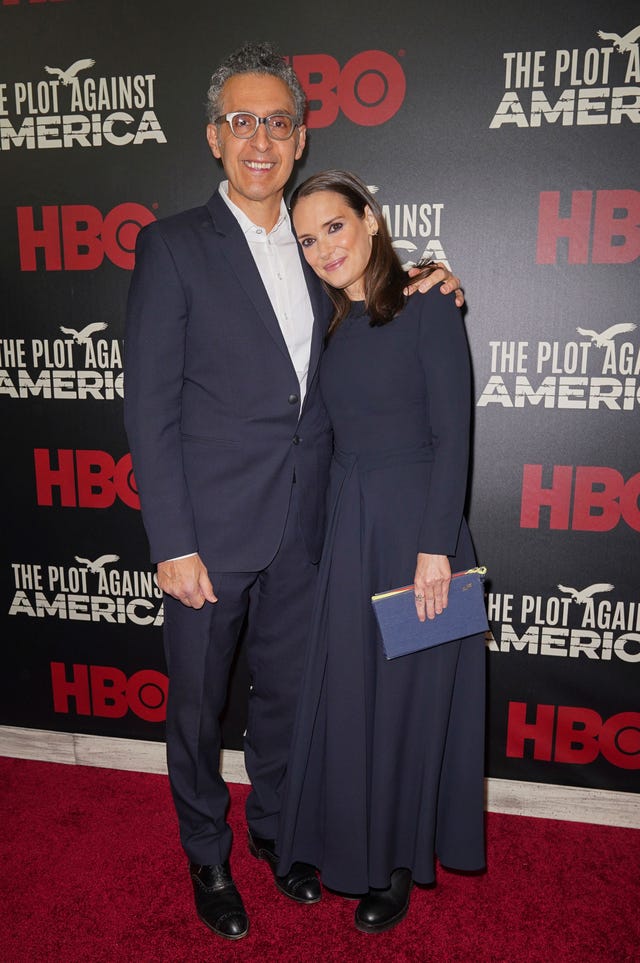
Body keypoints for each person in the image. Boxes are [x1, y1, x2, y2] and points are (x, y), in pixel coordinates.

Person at [124, 42, 462, 941]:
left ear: (301, 136)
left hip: (315, 532)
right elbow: (149, 407)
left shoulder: (323, 251)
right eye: (241, 121)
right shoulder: (172, 246)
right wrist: (172, 541)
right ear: (213, 136)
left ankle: (278, 832)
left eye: (278, 121)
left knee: (285, 699)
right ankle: (207, 853)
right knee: (197, 706)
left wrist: (432, 276)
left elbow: (382, 303)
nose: (260, 139)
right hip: (208, 535)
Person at [277, 170, 485, 934]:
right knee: (352, 695)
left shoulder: (428, 303)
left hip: (418, 531)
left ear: (369, 219)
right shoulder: (330, 322)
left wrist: (436, 549)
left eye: (334, 226)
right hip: (350, 528)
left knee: (408, 702)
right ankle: (337, 840)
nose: (323, 248)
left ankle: (397, 863)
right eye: (307, 239)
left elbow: (453, 434)